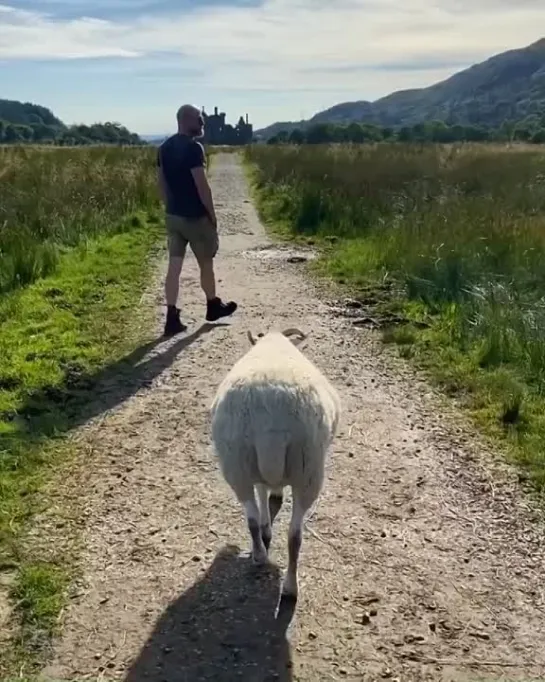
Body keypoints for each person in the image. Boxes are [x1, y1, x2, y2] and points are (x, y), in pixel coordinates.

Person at [156, 104, 237, 336]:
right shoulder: (194, 148)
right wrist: (212, 216)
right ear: (185, 119)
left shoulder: (163, 149)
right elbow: (202, 186)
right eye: (198, 119)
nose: (202, 123)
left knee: (174, 266)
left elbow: (161, 183)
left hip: (173, 216)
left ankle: (171, 316)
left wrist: (170, 206)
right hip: (195, 217)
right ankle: (212, 306)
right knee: (206, 264)